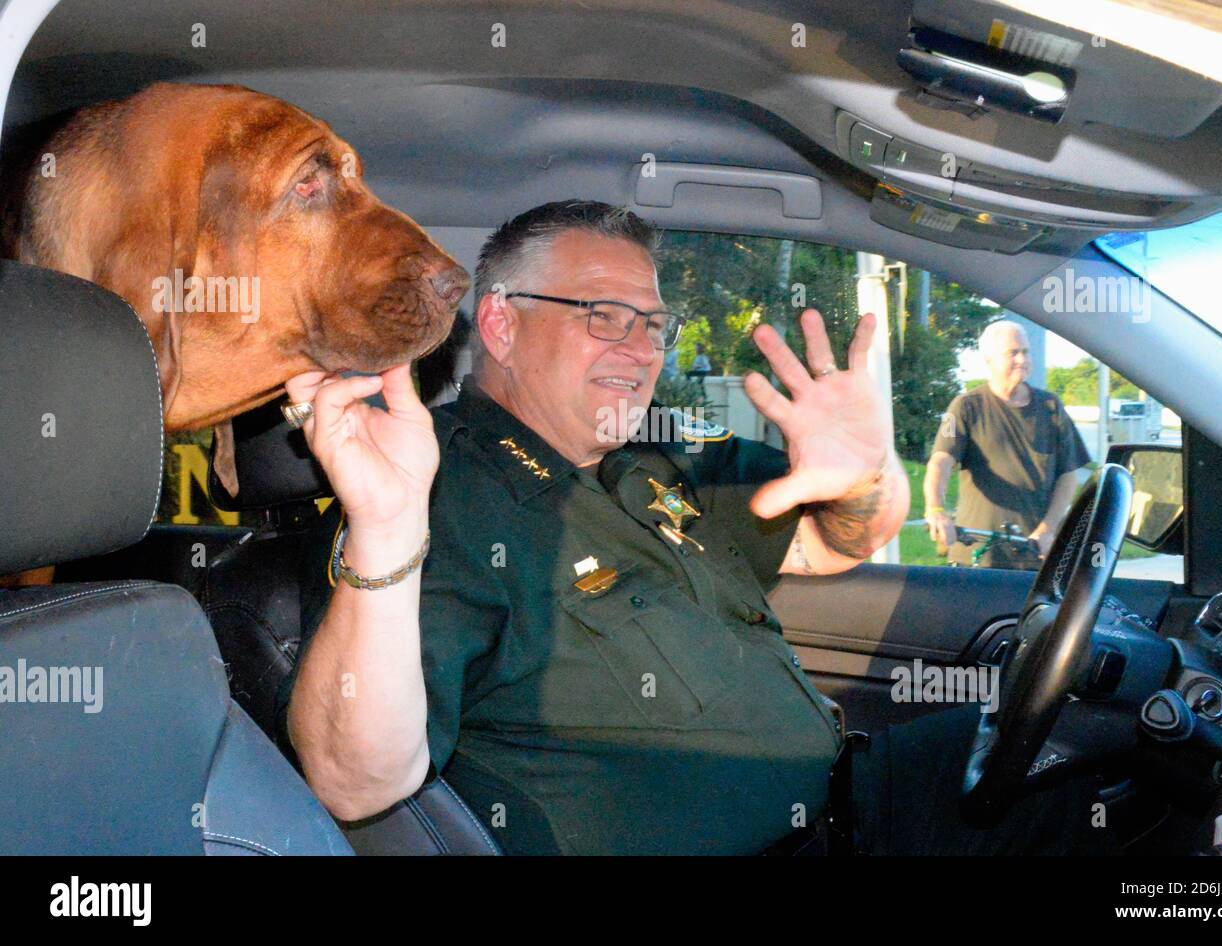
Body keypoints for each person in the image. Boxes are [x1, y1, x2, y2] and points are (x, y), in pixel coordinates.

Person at [278, 201, 1095, 855]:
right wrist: (384, 528)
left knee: (1078, 748)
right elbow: (354, 783)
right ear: (500, 325)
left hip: (854, 802)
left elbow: (841, 536)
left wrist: (869, 474)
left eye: (653, 325)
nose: (640, 350)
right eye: (604, 316)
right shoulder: (438, 490)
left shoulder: (658, 457)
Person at [924, 320, 1091, 567]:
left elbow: (1068, 476)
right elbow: (941, 461)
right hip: (978, 554)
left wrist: (1047, 530)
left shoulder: (1051, 407)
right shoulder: (966, 406)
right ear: (989, 359)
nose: (1022, 360)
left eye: (1025, 352)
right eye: (1012, 353)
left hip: (1034, 555)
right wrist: (936, 509)